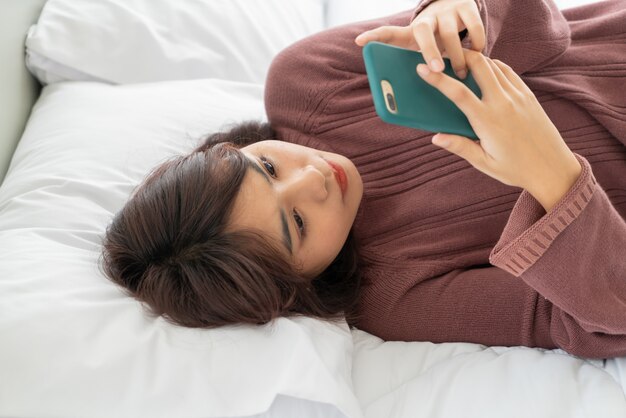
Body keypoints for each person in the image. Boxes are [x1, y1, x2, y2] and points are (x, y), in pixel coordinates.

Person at [101, 0, 626, 359]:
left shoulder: (305, 81)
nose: (312, 176)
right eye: (298, 224)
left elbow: (543, 33)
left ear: (229, 149)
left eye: (265, 167)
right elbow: (598, 322)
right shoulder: (395, 297)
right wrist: (552, 178)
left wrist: (458, 14)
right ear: (295, 286)